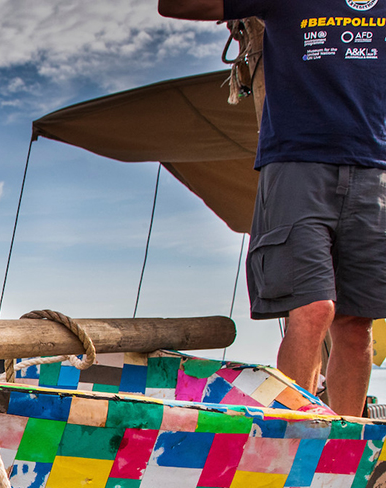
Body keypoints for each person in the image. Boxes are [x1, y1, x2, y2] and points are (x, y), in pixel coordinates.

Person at [160, 0, 386, 416]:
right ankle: (292, 443)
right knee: (314, 308)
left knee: (356, 327)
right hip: (297, 162)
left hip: (375, 169)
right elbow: (175, 5)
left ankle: (344, 457)